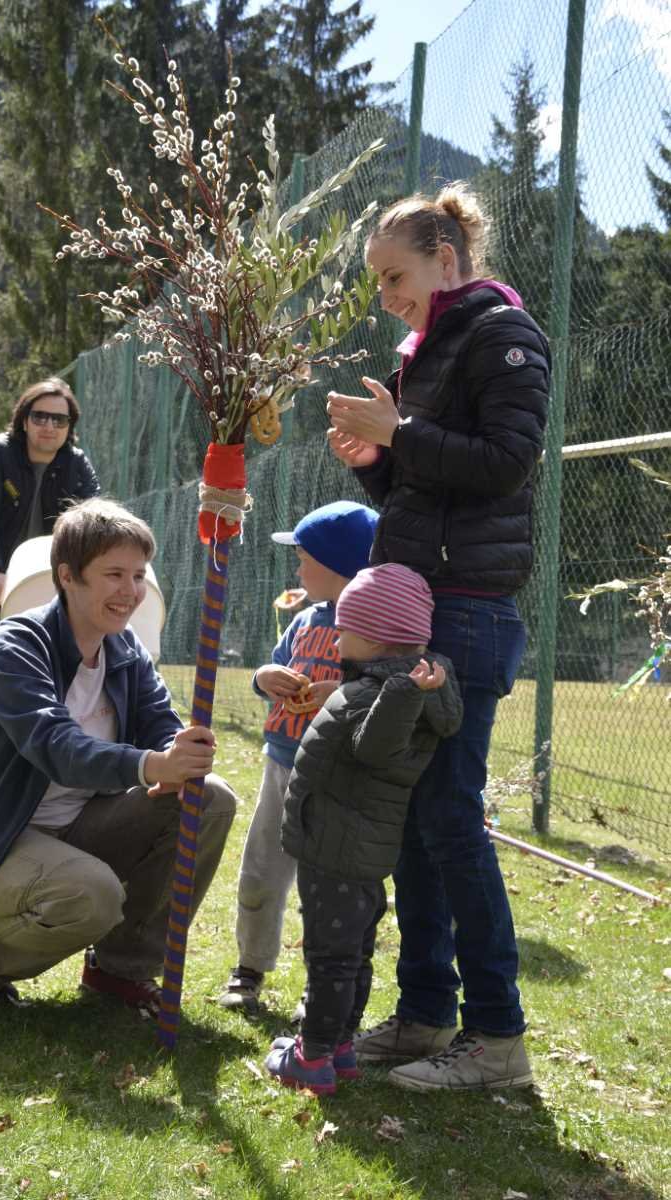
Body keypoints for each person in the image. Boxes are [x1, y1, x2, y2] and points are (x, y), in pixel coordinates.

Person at [325, 182, 549, 1090]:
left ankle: (497, 1040)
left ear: (446, 261)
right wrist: (380, 460)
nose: (385, 296)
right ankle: (425, 1016)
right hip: (425, 599)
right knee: (417, 818)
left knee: (451, 817)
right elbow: (427, 495)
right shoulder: (429, 346)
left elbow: (507, 464)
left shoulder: (502, 335)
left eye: (394, 276)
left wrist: (401, 430)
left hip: (468, 611)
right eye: (377, 283)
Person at [0, 498, 236, 1014]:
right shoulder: (13, 649)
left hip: (81, 822)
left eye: (137, 575)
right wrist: (151, 765)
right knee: (93, 896)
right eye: (113, 574)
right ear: (67, 575)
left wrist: (180, 749)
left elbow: (159, 724)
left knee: (210, 799)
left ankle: (120, 971)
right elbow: (57, 747)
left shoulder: (124, 649)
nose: (130, 591)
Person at [264, 563, 462, 1095]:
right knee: (350, 950)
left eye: (347, 629)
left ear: (376, 640)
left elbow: (372, 749)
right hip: (352, 845)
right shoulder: (389, 687)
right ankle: (341, 1045)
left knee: (331, 957)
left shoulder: (392, 695)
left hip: (338, 846)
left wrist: (399, 694)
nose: (338, 638)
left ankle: (313, 1056)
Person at [218, 501, 379, 1014]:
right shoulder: (306, 617)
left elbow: (380, 690)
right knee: (262, 868)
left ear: (337, 567)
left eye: (305, 558)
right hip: (280, 762)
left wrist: (343, 687)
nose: (298, 567)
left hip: (332, 776)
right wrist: (266, 676)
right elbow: (278, 666)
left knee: (324, 886)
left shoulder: (369, 625)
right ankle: (250, 968)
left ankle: (322, 983)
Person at [0, 377, 100, 678]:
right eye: (39, 416)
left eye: (59, 419)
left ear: (70, 426)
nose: (49, 426)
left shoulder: (76, 464)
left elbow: (92, 519)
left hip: (45, 587)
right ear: (24, 420)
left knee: (42, 678)